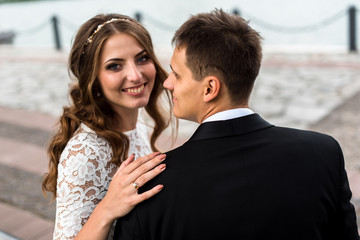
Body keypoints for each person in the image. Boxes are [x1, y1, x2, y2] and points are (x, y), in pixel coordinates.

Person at [114, 9, 359, 240]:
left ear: (210, 88)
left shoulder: (150, 187)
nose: (168, 84)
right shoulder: (323, 153)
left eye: (176, 74)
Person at [41, 13, 175, 240]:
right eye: (115, 66)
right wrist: (108, 208)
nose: (135, 75)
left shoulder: (138, 125)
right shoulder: (85, 153)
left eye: (142, 58)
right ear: (93, 79)